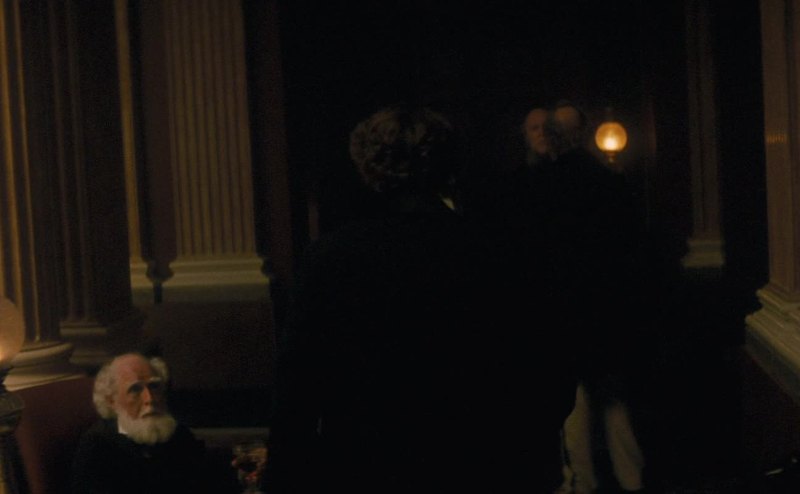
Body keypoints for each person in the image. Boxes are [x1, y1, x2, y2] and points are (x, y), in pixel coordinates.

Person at [263, 104, 577, 493]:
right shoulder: (493, 251)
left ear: (368, 167)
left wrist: (282, 476)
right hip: (477, 466)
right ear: (447, 165)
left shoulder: (333, 258)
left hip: (365, 468)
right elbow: (549, 366)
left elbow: (297, 387)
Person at [539, 101, 653, 494]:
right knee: (613, 401)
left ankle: (583, 483)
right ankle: (631, 479)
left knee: (574, 407)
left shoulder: (542, 186)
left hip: (562, 312)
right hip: (607, 310)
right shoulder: (608, 183)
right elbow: (633, 249)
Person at [71, 352, 208, 494]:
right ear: (112, 401)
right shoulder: (97, 446)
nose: (149, 398)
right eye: (135, 389)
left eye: (154, 386)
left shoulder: (180, 435)